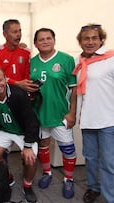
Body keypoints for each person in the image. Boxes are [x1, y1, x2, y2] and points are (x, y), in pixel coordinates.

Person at [30, 28, 77, 199]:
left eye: (48, 38)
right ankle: (47, 173)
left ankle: (68, 179)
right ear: (35, 43)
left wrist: (72, 113)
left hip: (60, 115)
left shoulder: (66, 59)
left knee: (68, 148)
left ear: (54, 40)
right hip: (40, 114)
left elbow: (74, 90)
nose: (45, 41)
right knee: (43, 144)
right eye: (41, 39)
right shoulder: (32, 62)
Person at [0, 68, 40, 203]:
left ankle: (27, 186)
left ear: (6, 79)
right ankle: (7, 176)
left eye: (0, 80)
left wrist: (27, 146)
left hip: (23, 133)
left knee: (30, 158)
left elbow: (31, 122)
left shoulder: (18, 94)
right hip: (5, 131)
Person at [73, 24, 114, 203]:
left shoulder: (111, 59)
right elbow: (76, 91)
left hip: (108, 120)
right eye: (86, 39)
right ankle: (93, 187)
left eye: (94, 38)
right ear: (80, 42)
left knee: (108, 162)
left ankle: (110, 196)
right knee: (90, 158)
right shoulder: (79, 61)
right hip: (88, 119)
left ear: (101, 39)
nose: (90, 42)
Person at [0, 19, 36, 93]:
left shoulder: (26, 52)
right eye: (15, 32)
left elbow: (27, 76)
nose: (18, 34)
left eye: (20, 31)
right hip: (4, 93)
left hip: (22, 94)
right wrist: (17, 83)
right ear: (5, 34)